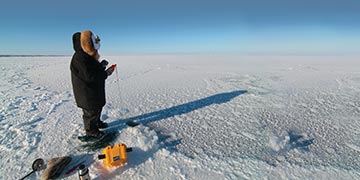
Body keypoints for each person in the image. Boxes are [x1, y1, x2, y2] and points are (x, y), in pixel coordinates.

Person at [70, 30, 115, 138]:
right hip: (86, 93)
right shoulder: (79, 58)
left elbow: (93, 68)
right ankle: (91, 132)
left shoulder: (87, 55)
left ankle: (97, 123)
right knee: (90, 113)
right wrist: (105, 74)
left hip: (94, 91)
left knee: (97, 108)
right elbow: (89, 76)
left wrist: (102, 66)